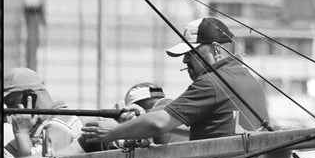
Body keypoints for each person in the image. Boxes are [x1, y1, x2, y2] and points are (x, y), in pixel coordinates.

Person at [80, 17, 270, 147]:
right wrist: (138, 122)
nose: (186, 60)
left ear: (216, 50)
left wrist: (114, 131)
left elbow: (160, 123)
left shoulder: (212, 83)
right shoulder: (249, 80)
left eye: (192, 53)